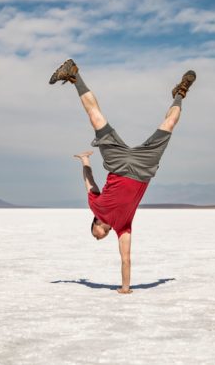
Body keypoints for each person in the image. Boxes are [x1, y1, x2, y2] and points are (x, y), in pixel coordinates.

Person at [49, 59, 196, 294]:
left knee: (96, 118)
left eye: (96, 237)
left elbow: (90, 182)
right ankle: (180, 93)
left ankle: (74, 75)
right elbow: (126, 259)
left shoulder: (95, 207)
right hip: (142, 168)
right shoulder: (123, 228)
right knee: (170, 123)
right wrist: (125, 288)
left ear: (95, 225)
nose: (99, 239)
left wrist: (85, 161)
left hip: (117, 165)